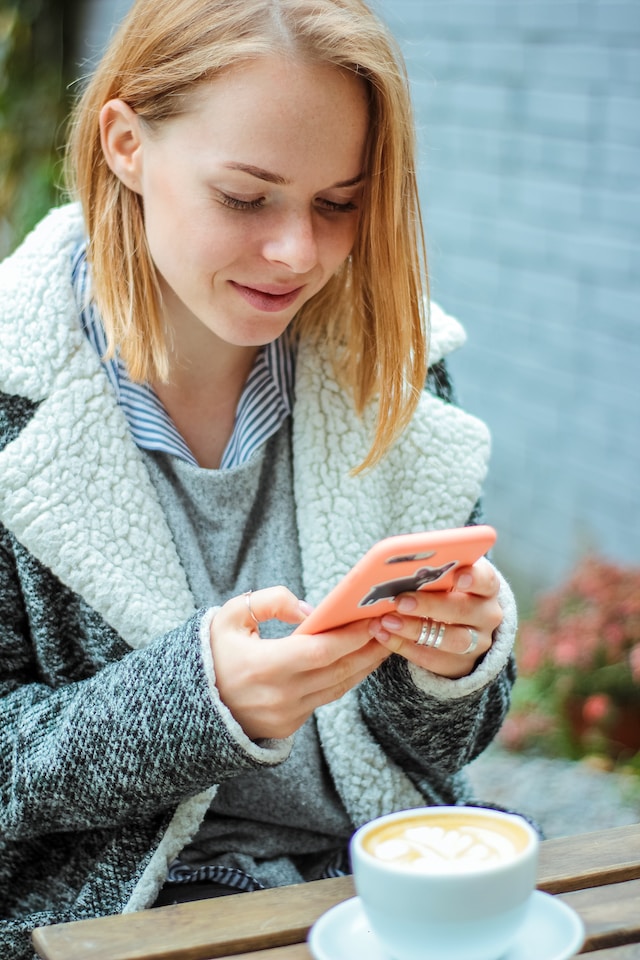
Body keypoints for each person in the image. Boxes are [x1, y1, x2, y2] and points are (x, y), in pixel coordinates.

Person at [0, 0, 518, 955]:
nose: (298, 255)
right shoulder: (9, 399)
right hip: (122, 923)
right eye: (246, 197)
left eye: (339, 203)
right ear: (125, 144)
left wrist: (448, 674)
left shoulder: (398, 369)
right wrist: (196, 707)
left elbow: (451, 748)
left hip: (378, 894)